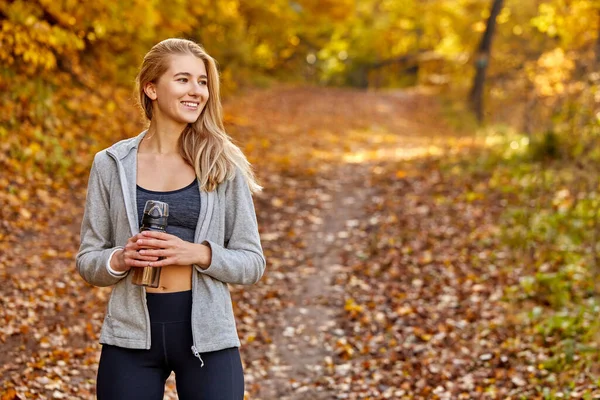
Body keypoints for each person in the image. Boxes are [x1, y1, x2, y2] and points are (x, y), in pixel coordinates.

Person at [76, 38, 265, 400]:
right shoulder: (111, 164)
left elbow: (253, 263)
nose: (197, 91)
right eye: (183, 80)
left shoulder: (222, 164)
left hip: (207, 337)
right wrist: (119, 258)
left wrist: (197, 254)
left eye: (203, 82)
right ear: (151, 88)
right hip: (131, 335)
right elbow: (88, 260)